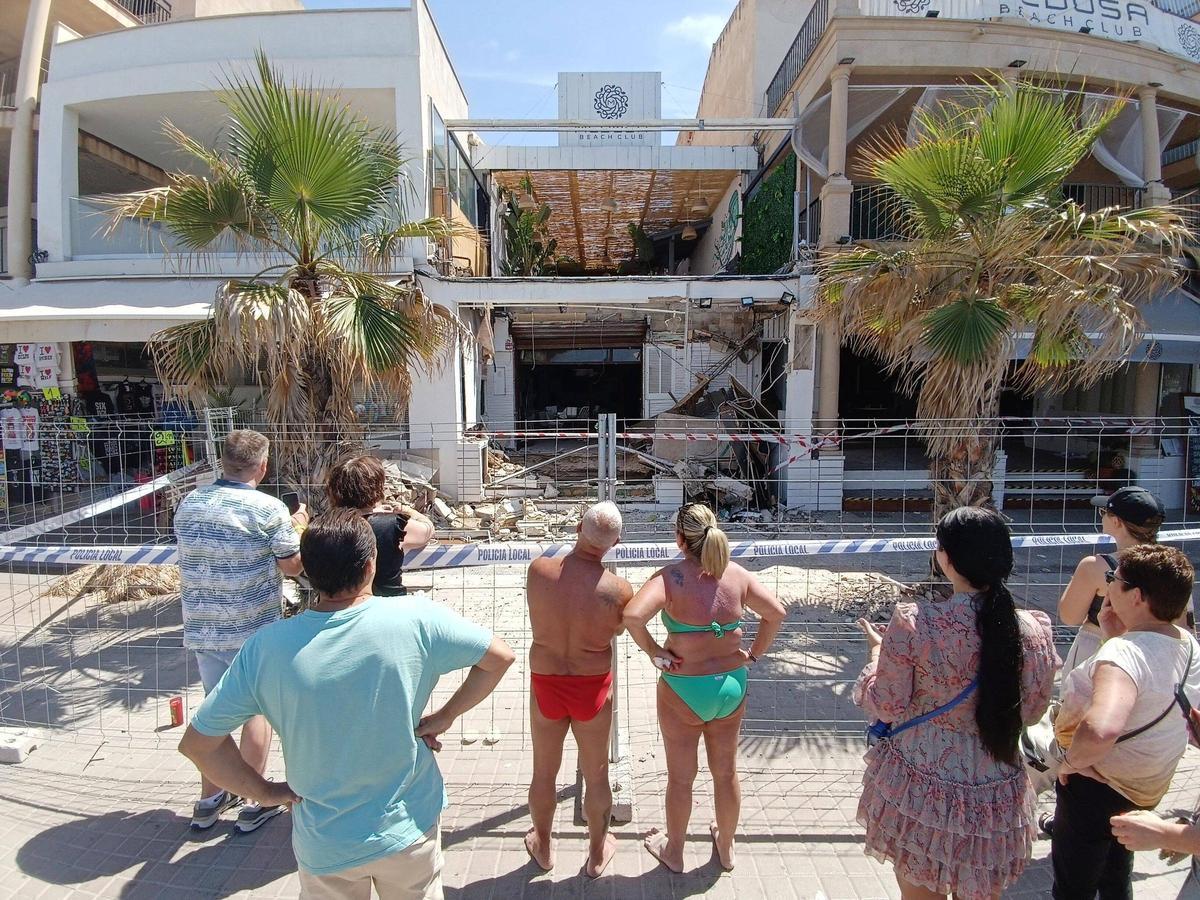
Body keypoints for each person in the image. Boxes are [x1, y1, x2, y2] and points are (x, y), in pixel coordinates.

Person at [179, 509, 515, 899]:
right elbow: (499, 658)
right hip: (407, 827)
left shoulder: (266, 648)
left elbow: (197, 744)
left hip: (325, 841)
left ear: (306, 569)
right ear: (371, 565)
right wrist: (444, 716)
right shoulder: (416, 619)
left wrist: (267, 792)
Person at [854, 507, 1059, 900]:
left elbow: (887, 702)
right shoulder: (1033, 630)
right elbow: (1032, 711)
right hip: (996, 787)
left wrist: (873, 662)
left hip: (921, 782)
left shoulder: (916, 623)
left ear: (944, 558)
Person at [622, 503, 786, 873]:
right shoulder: (737, 575)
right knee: (725, 772)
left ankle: (675, 851)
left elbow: (632, 615)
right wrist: (754, 655)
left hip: (684, 689)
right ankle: (726, 848)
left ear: (680, 539)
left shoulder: (670, 577)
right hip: (731, 686)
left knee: (681, 777)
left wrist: (654, 652)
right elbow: (776, 613)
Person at [173, 429, 308, 832]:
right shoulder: (267, 509)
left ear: (223, 462)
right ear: (262, 466)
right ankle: (255, 798)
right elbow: (292, 566)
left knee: (214, 712)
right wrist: (299, 526)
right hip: (251, 630)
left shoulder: (188, 504)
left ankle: (210, 797)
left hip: (202, 627)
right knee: (257, 711)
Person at [1051, 544, 1200, 900]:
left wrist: (1069, 763)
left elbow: (1102, 728)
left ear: (1137, 596)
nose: (1107, 586)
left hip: (1094, 786)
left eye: (1113, 580)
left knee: (1074, 886)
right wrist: (1115, 637)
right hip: (1144, 788)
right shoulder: (1187, 643)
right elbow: (1152, 686)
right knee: (1116, 875)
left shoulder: (1125, 653)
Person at [524, 501, 632, 878]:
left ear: (576, 528)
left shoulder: (538, 571)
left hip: (547, 682)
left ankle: (543, 844)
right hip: (592, 687)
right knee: (598, 773)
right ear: (615, 542)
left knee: (543, 772)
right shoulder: (618, 590)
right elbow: (616, 630)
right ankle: (598, 852)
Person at [1058, 487, 1166, 679]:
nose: (1101, 517)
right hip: (1152, 651)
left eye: (1104, 512)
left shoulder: (1095, 567)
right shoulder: (1171, 566)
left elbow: (1069, 617)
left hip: (1095, 649)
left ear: (1116, 521)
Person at [326, 454, 435, 597]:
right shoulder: (392, 524)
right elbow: (427, 531)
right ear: (377, 487)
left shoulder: (325, 527)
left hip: (339, 606)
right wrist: (409, 512)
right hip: (387, 603)